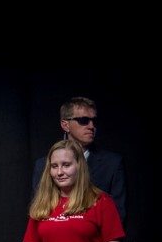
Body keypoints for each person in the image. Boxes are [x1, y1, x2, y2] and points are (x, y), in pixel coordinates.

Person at [31, 96, 127, 225]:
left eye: (94, 121)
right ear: (65, 125)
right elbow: (37, 212)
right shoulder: (42, 165)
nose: (91, 126)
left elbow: (118, 217)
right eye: (83, 120)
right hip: (54, 235)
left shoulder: (112, 163)